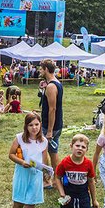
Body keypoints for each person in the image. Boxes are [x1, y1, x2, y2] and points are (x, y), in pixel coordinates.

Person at [8, 112, 50, 208]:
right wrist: (22, 162)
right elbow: (11, 154)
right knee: (18, 204)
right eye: (31, 125)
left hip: (35, 176)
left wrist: (46, 173)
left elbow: (45, 159)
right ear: (26, 126)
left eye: (37, 124)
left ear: (40, 125)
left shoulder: (43, 141)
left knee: (30, 207)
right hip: (22, 175)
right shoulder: (19, 138)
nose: (34, 128)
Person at [40, 59, 64, 187]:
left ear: (45, 69)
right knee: (52, 152)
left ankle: (50, 180)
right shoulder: (55, 83)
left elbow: (52, 109)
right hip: (56, 124)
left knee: (48, 153)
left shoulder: (51, 86)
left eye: (41, 68)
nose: (39, 71)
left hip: (51, 126)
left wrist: (49, 130)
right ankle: (55, 179)